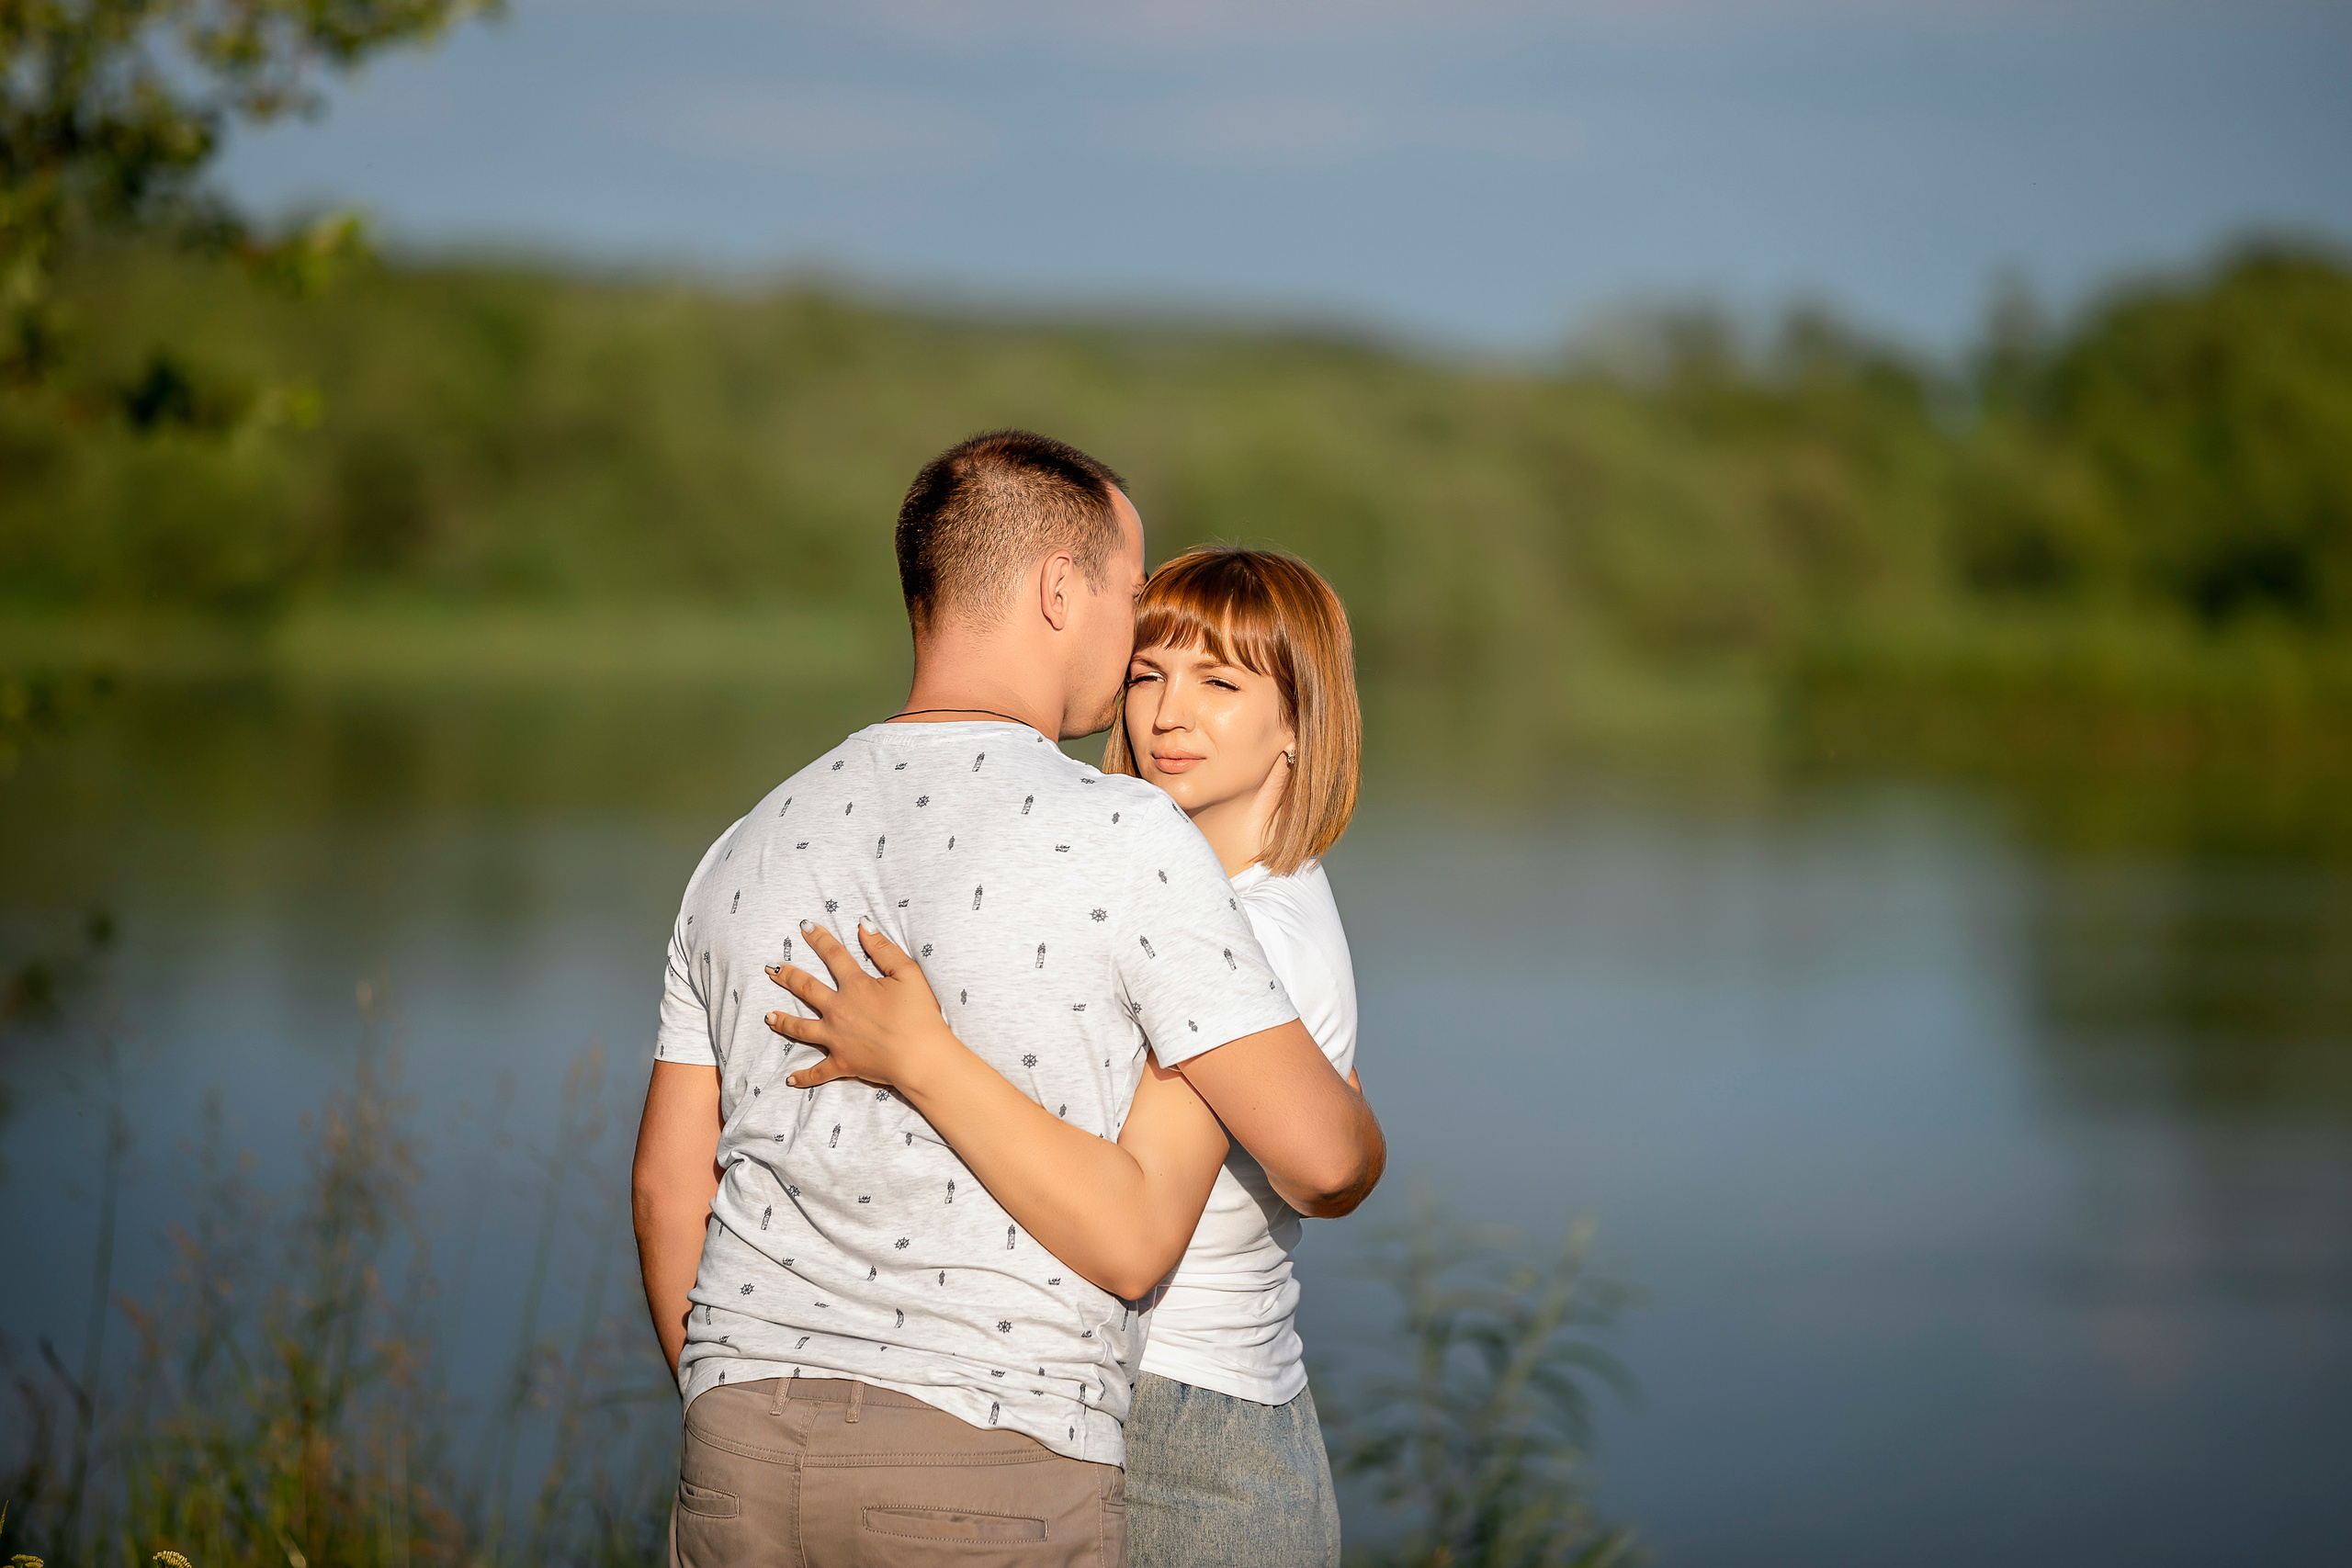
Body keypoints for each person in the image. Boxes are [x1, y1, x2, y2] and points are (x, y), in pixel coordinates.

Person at [629, 430, 1384, 1568]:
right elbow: (1278, 1181)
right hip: (993, 1450)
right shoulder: (1129, 838)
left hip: (736, 1451)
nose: (1146, 662)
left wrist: (722, 1395)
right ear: (1059, 588)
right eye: (1135, 608)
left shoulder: (745, 843)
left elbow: (663, 1183)